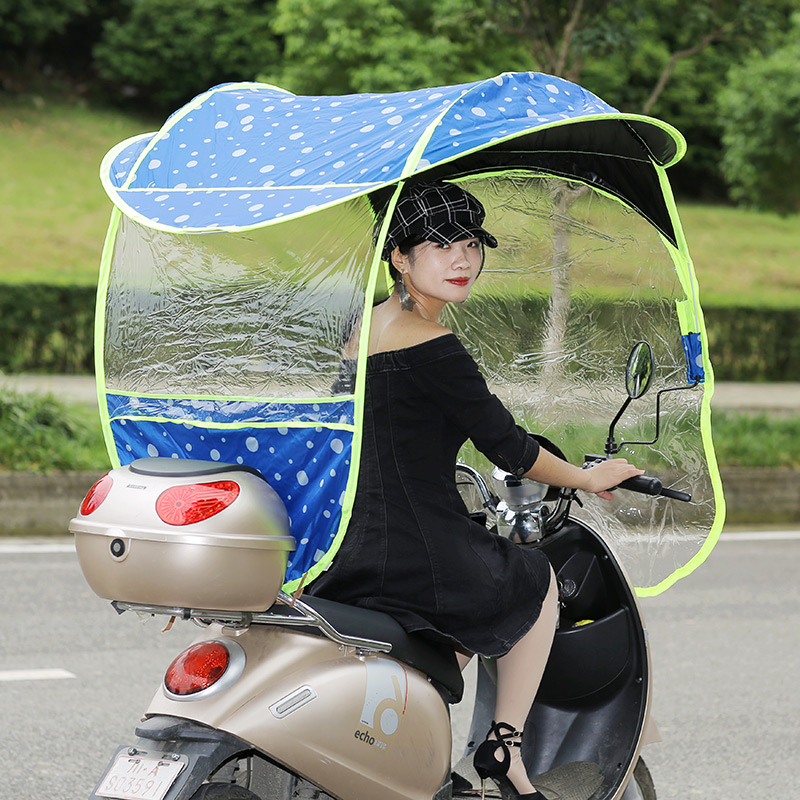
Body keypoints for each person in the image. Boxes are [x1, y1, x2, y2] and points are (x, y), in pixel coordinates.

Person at [308, 181, 643, 799]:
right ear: (399, 257)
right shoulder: (432, 345)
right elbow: (507, 446)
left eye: (471, 244)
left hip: (347, 547)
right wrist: (586, 477)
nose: (462, 259)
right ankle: (504, 745)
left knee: (448, 630)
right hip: (418, 549)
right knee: (533, 580)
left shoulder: (362, 330)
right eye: (441, 246)